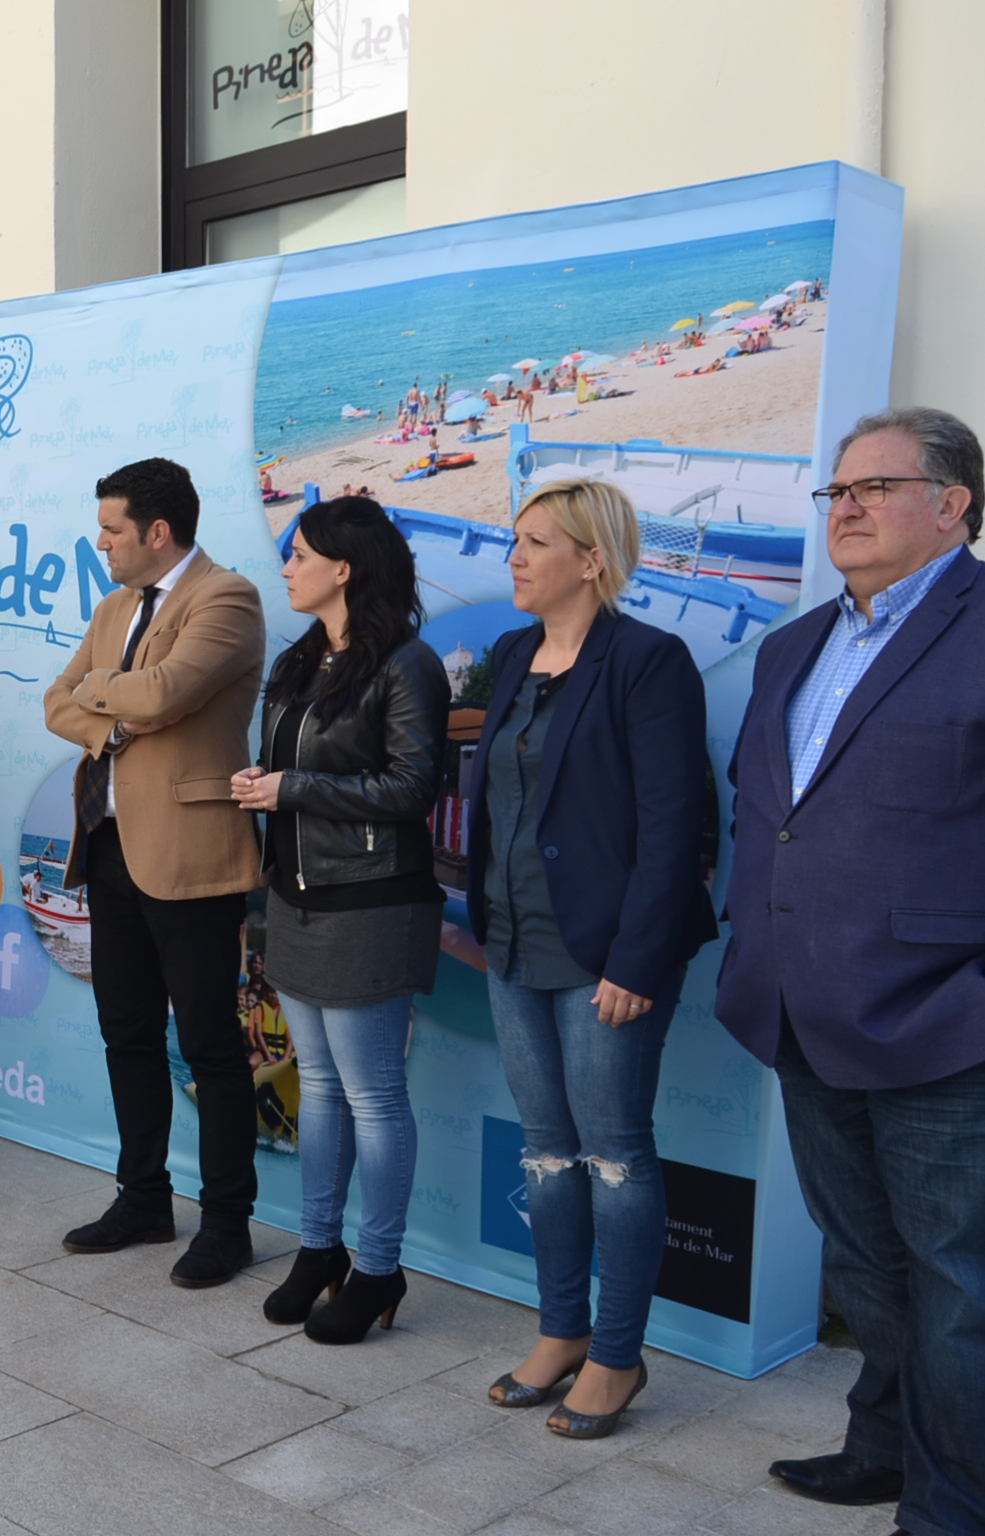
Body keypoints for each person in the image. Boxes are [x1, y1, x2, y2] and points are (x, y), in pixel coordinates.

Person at [718, 408, 985, 1531]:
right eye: (837, 493)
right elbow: (767, 818)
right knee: (867, 1269)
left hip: (943, 1026)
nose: (848, 509)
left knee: (957, 1292)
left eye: (876, 488)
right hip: (799, 1011)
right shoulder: (792, 646)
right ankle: (880, 1446)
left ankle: (952, 1506)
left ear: (953, 504)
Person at [462, 478, 715, 1440]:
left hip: (608, 953)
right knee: (547, 1152)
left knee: (614, 1156)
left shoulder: (649, 661)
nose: (515, 558)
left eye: (534, 543)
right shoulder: (513, 653)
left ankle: (617, 1355)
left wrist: (639, 962)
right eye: (513, 541)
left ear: (592, 560)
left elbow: (673, 826)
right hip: (513, 940)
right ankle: (561, 1332)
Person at [44, 457, 267, 1288]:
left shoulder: (228, 598)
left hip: (192, 854)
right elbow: (59, 703)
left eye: (111, 530)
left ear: (157, 532)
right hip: (108, 845)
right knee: (126, 1034)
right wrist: (120, 709)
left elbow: (170, 688)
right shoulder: (111, 608)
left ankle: (227, 1222)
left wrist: (119, 695)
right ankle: (143, 1197)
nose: (100, 543)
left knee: (210, 1046)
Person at [230, 498, 448, 1343]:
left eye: (300, 554)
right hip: (298, 898)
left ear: (343, 568)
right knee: (317, 1087)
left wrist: (292, 790)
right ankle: (317, 1251)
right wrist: (265, 788)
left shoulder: (407, 663)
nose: (286, 567)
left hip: (372, 903)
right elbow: (290, 769)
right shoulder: (300, 659)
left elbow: (412, 789)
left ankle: (380, 1268)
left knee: (374, 1095)